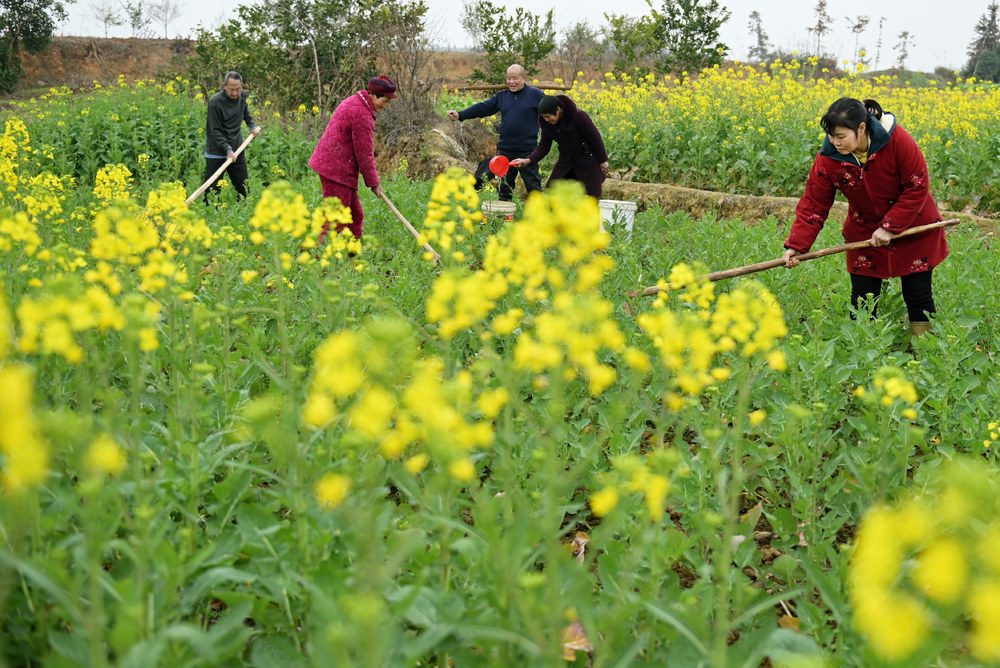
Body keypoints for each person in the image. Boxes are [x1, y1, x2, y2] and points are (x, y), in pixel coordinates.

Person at [782, 97, 948, 337]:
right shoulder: (828, 158)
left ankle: (924, 350)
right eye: (831, 136)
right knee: (862, 298)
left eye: (841, 136)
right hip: (865, 231)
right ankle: (861, 348)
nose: (835, 142)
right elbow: (814, 203)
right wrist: (797, 245)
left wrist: (891, 227)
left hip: (914, 226)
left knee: (918, 295)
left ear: (862, 128)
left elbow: (917, 185)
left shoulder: (897, 141)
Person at [309, 76, 397, 240]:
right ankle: (325, 259)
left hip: (337, 165)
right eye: (384, 101)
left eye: (388, 103)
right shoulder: (362, 114)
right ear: (373, 95)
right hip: (335, 169)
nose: (385, 106)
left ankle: (351, 256)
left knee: (355, 215)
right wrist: (374, 183)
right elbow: (364, 153)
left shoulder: (356, 101)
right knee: (336, 219)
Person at [447, 64, 544, 202]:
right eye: (508, 78)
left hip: (527, 151)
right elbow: (483, 108)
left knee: (533, 186)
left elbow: (549, 113)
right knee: (504, 187)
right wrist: (460, 115)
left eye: (515, 78)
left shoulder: (536, 95)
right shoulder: (502, 97)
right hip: (505, 150)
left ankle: (542, 216)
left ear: (524, 78)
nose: (511, 82)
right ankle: (503, 216)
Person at [510, 95, 610, 198]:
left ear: (558, 109)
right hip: (566, 160)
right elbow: (544, 146)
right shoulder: (547, 123)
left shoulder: (579, 116)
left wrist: (603, 160)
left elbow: (595, 138)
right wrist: (528, 160)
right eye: (544, 117)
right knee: (551, 191)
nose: (546, 120)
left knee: (592, 196)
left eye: (548, 116)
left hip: (587, 159)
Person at [203, 71, 260, 202]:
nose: (235, 93)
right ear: (224, 86)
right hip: (216, 151)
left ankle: (245, 215)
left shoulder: (242, 96)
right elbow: (215, 130)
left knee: (244, 189)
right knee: (211, 193)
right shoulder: (215, 102)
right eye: (231, 89)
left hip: (237, 149)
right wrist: (227, 149)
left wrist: (252, 126)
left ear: (242, 86)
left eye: (238, 89)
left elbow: (245, 112)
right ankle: (210, 218)